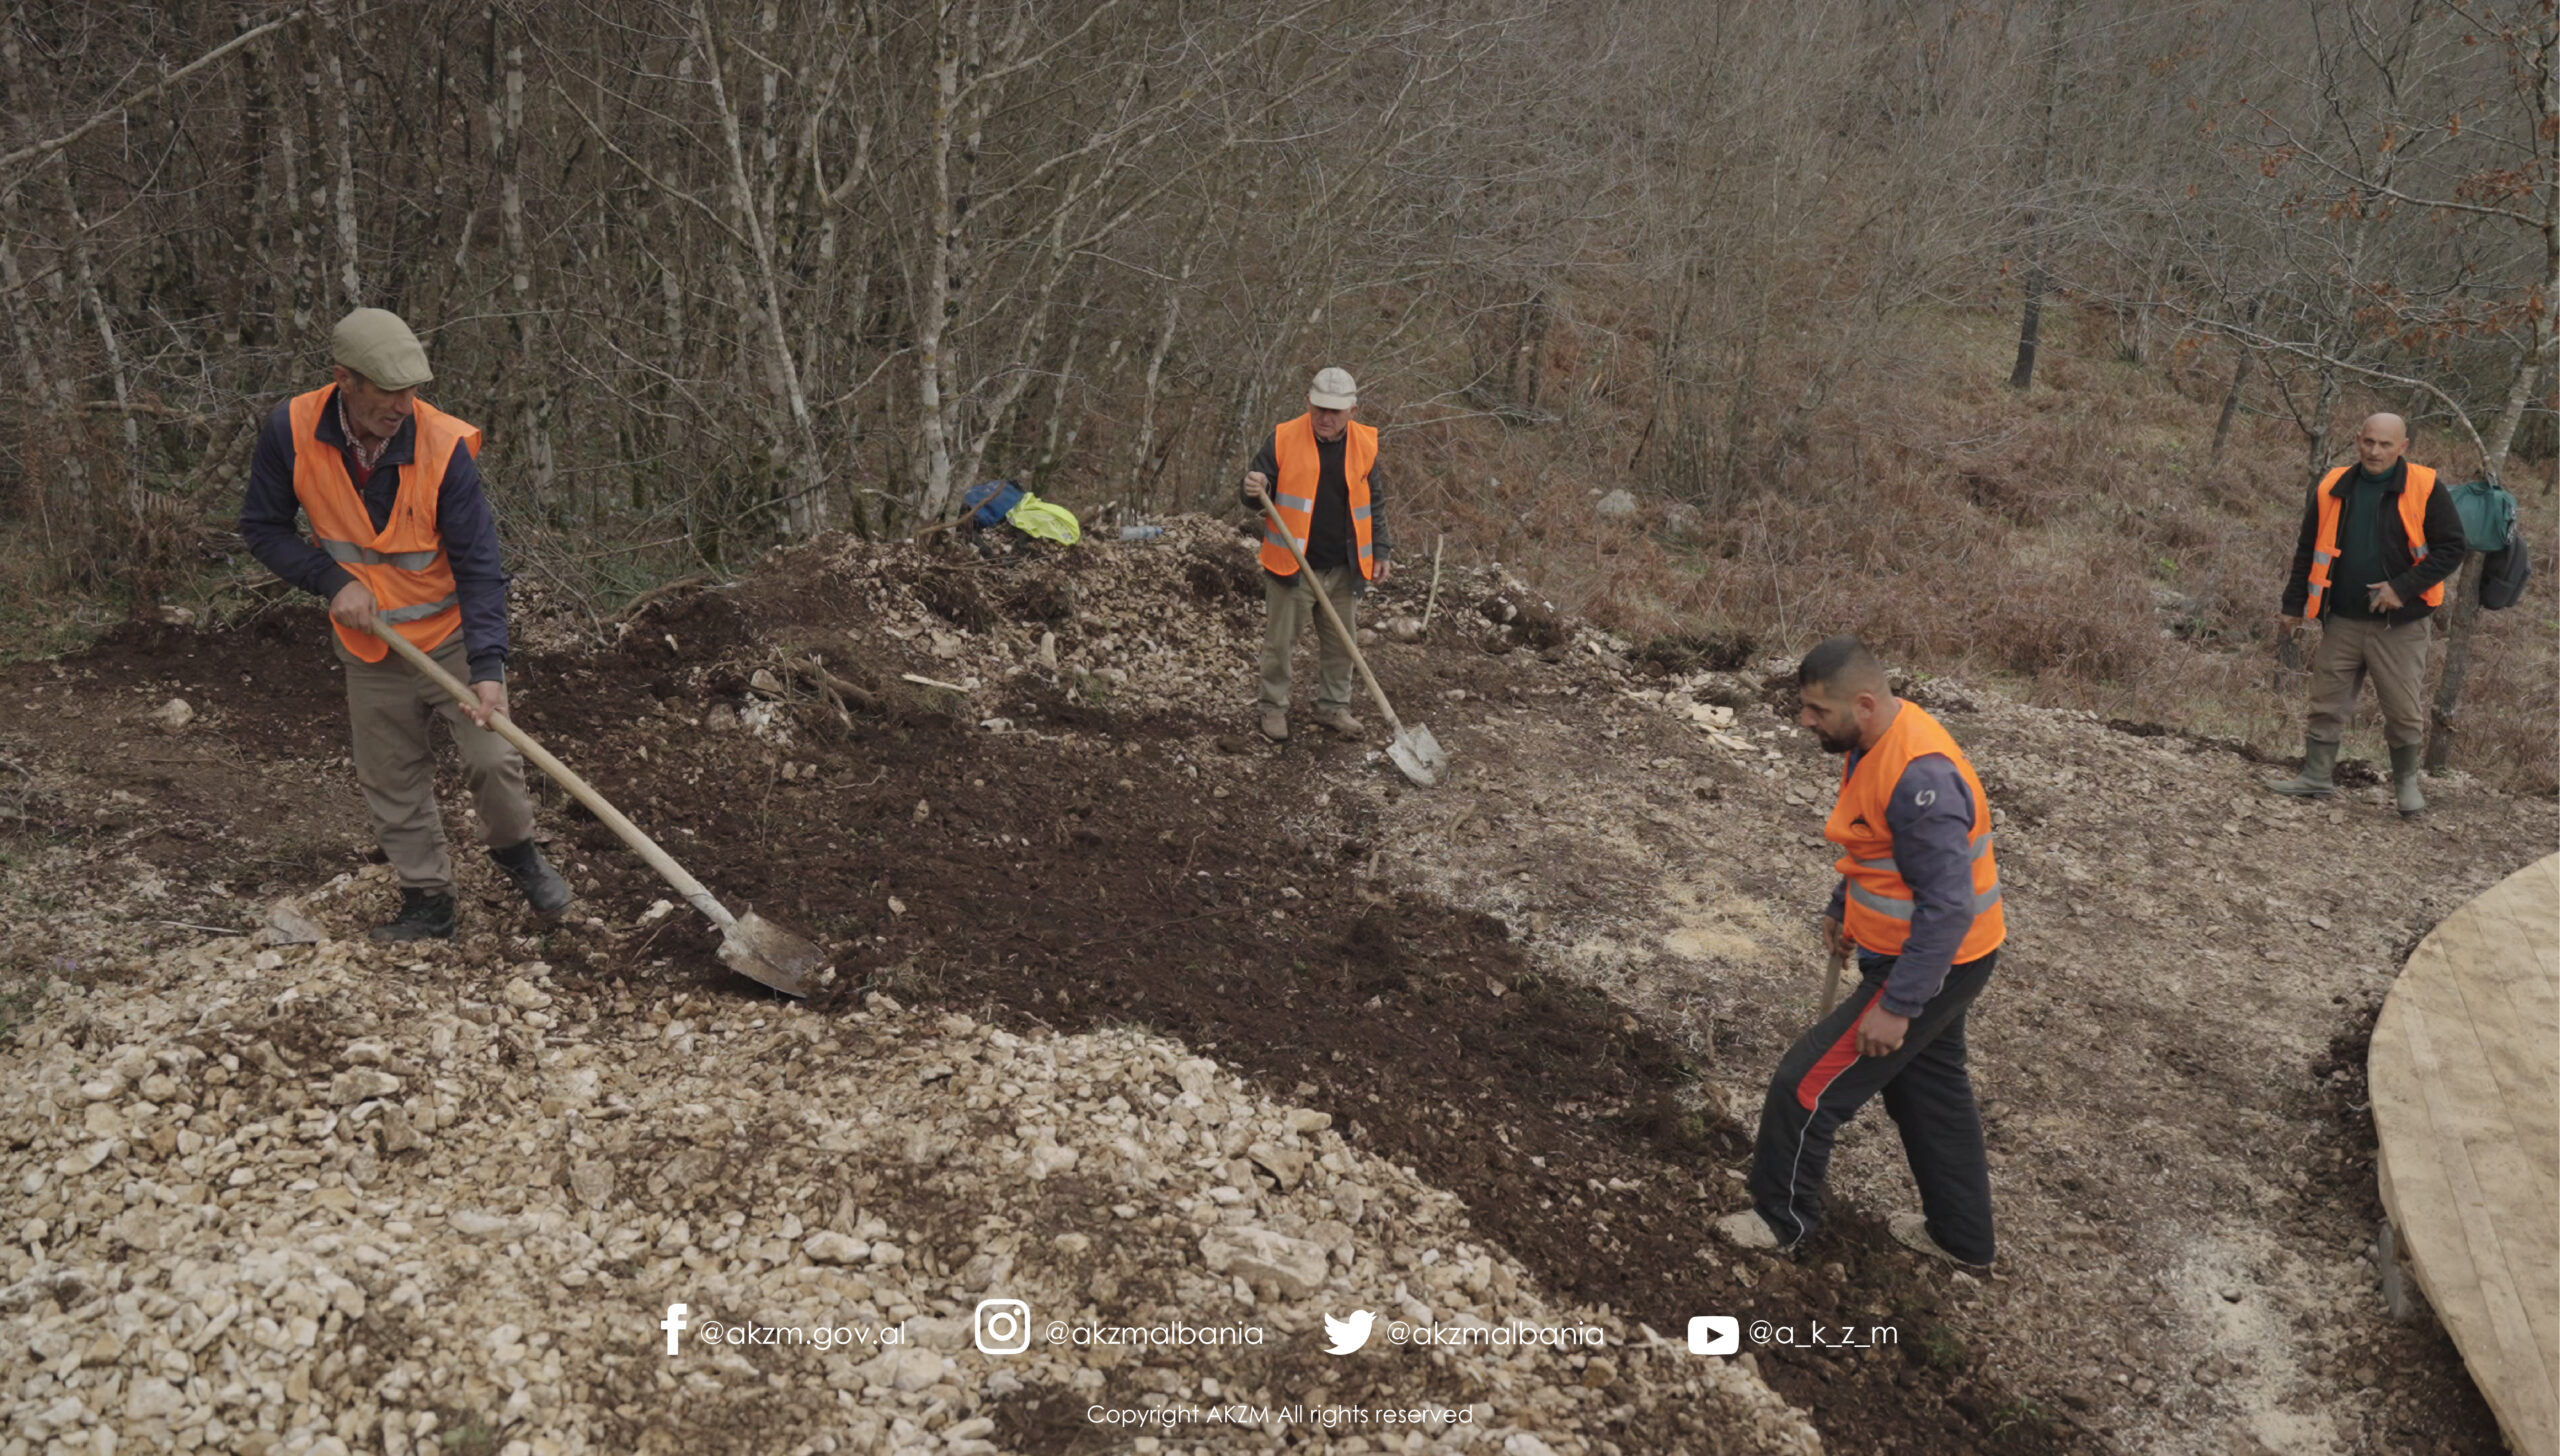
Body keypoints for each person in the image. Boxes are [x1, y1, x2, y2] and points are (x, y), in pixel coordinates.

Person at [239, 308, 571, 941]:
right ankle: (427, 899)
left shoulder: (443, 447)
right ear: (345, 380)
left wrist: (488, 669)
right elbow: (262, 528)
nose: (402, 405)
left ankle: (517, 855)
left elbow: (479, 566)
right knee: (391, 776)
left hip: (447, 637)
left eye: (412, 390)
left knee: (494, 757)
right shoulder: (291, 429)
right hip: (369, 648)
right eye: (388, 391)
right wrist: (332, 581)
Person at [1716, 637, 2005, 1268]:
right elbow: (1873, 841)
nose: (1805, 721)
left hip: (1932, 965)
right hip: (1923, 957)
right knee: (1927, 1091)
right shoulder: (1870, 743)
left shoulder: (1921, 780)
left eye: (1818, 710)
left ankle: (1778, 1219)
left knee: (1806, 1088)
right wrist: (1842, 902)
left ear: (1865, 704)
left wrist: (1899, 1005)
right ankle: (1963, 1238)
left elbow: (1949, 907)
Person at [2268, 413, 2468, 816]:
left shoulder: (2426, 486)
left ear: (2403, 447)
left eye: (2385, 445)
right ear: (2357, 440)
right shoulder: (2332, 485)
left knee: (2401, 708)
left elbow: (2452, 549)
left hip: (2401, 623)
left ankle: (2406, 788)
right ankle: (2316, 776)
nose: (2375, 451)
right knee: (2327, 699)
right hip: (2341, 616)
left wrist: (2401, 588)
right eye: (2369, 442)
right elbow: (2307, 550)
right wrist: (2293, 607)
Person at [1238, 367, 1391, 742]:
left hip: (1344, 566)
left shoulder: (1364, 445)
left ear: (1352, 411)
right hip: (1292, 563)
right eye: (1319, 408)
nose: (1325, 417)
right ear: (1308, 402)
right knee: (1280, 645)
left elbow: (1374, 503)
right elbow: (1252, 493)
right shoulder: (1283, 438)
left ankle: (1333, 707)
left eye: (1334, 411)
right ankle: (1272, 708)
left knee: (1342, 644)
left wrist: (1382, 549)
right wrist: (1253, 486)